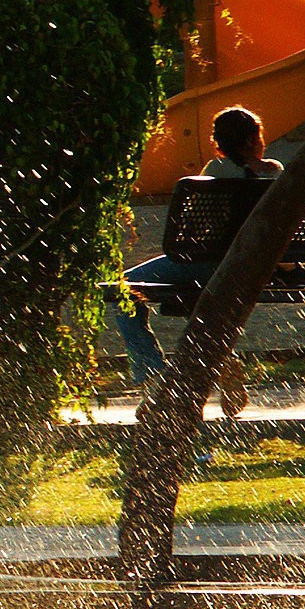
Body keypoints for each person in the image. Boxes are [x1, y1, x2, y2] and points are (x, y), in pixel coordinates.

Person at [110, 106, 281, 415]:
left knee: (123, 291)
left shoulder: (216, 172)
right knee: (199, 297)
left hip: (207, 263)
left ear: (218, 143)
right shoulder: (274, 171)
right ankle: (222, 361)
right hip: (252, 267)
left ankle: (155, 382)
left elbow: (188, 232)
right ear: (256, 139)